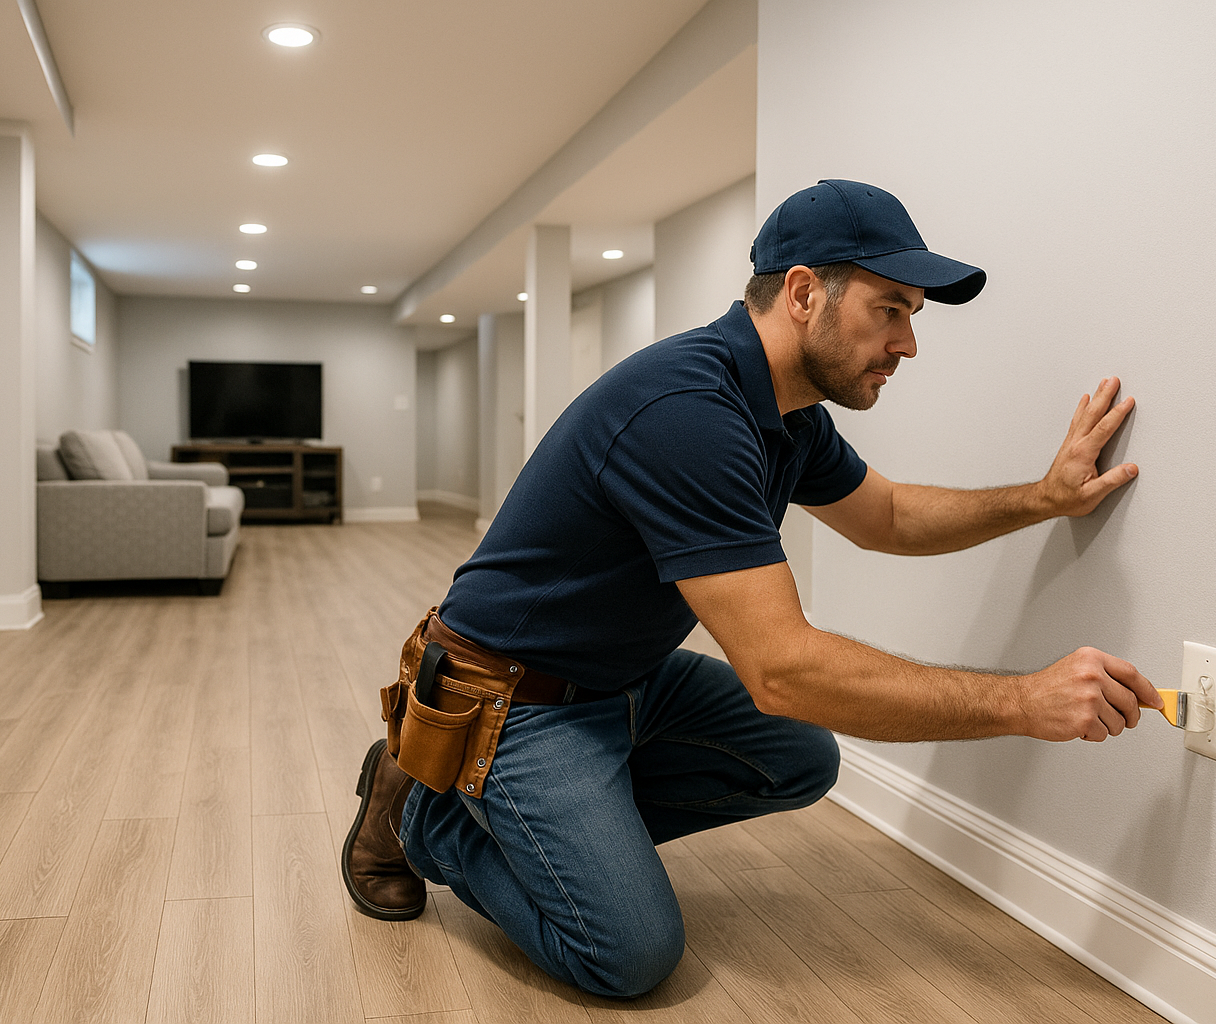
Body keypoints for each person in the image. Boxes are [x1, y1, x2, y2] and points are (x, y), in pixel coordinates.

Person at [340, 179, 1160, 998]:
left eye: (914, 315)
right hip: (514, 696)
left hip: (622, 679)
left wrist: (1042, 498)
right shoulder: (687, 412)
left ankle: (543, 827)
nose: (909, 343)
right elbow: (783, 670)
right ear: (803, 293)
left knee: (797, 757)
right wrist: (1023, 704)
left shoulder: (790, 411)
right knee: (629, 956)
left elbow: (892, 517)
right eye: (891, 309)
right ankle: (427, 813)